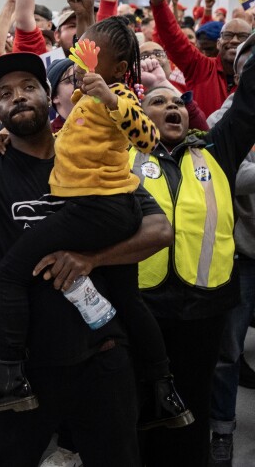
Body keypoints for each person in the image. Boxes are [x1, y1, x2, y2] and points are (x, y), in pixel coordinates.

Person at [0, 51, 175, 467]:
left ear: (49, 96)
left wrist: (92, 258)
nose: (18, 97)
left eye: (28, 87)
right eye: (4, 93)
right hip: (21, 369)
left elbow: (160, 230)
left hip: (103, 354)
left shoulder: (90, 158)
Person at [0, 20, 189, 435]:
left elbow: (146, 137)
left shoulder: (116, 95)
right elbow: (67, 142)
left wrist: (113, 98)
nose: (81, 59)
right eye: (78, 52)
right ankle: (161, 387)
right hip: (100, 208)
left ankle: (8, 377)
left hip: (98, 209)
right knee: (126, 294)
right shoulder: (85, 102)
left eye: (91, 53)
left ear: (119, 69)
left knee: (10, 272)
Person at [134, 41, 255, 467]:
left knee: (191, 411)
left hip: (202, 310)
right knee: (139, 410)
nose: (174, 107)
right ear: (138, 114)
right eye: (158, 101)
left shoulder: (216, 153)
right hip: (139, 310)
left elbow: (248, 104)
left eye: (180, 103)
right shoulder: (120, 159)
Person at [206, 34, 255, 466]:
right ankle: (222, 431)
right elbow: (228, 176)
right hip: (242, 256)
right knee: (228, 352)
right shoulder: (227, 116)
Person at [144, 0, 249, 116]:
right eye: (228, 35)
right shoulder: (200, 67)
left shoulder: (251, 79)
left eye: (242, 37)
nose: (234, 40)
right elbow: (172, 36)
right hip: (201, 140)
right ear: (219, 43)